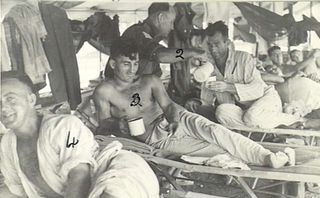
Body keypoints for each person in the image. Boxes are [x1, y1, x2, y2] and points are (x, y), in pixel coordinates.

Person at [0, 75, 265, 198]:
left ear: (32, 99)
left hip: (117, 168)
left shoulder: (62, 127)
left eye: (10, 98)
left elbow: (79, 177)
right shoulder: (7, 145)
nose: (3, 107)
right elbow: (19, 193)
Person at [94, 37, 293, 169]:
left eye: (135, 63)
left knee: (218, 132)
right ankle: (267, 158)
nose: (132, 70)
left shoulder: (149, 80)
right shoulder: (105, 91)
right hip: (154, 136)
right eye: (126, 64)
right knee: (212, 149)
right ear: (113, 64)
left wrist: (173, 119)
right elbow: (104, 124)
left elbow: (168, 105)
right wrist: (116, 125)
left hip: (178, 118)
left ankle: (267, 156)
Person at [198, 21, 300, 129]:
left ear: (227, 42)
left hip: (265, 101)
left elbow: (257, 90)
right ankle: (260, 128)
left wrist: (228, 87)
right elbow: (206, 102)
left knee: (252, 117)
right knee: (222, 112)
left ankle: (294, 119)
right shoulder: (208, 68)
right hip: (244, 112)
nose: (213, 49)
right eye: (210, 45)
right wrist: (197, 109)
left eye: (217, 44)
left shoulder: (243, 58)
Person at [104, 2, 205, 78]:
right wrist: (193, 52)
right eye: (171, 22)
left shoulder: (151, 36)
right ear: (161, 18)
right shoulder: (139, 33)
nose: (172, 27)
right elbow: (160, 55)